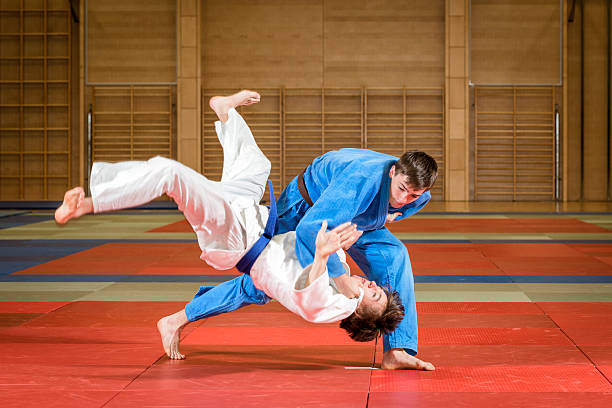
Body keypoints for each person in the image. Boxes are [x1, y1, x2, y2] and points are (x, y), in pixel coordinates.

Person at [55, 90, 405, 360]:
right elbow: (329, 247)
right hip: (254, 218)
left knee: (170, 172)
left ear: (362, 313)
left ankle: (89, 202)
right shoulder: (342, 279)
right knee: (256, 165)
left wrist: (322, 255)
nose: (372, 283)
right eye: (378, 287)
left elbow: (305, 290)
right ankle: (225, 112)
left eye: (374, 294)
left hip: (236, 239)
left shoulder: (334, 307)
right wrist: (358, 230)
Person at [183, 98, 438, 370]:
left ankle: (397, 349)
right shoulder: (360, 181)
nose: (404, 199)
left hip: (353, 218)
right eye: (401, 190)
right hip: (307, 207)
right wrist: (340, 279)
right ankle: (184, 316)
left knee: (394, 255)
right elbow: (310, 228)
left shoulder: (417, 197)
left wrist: (384, 215)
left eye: (413, 195)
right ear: (392, 172)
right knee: (264, 280)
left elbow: (402, 206)